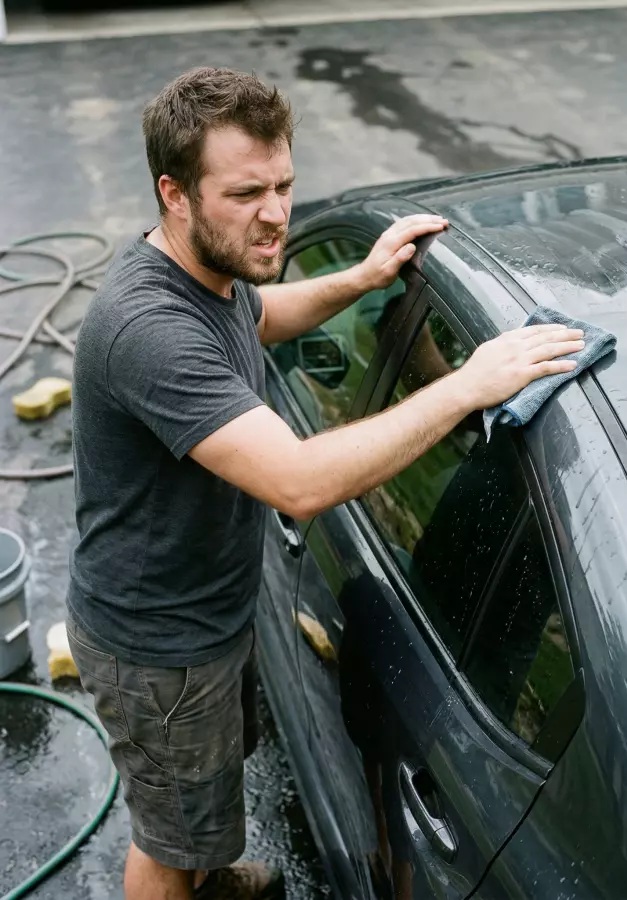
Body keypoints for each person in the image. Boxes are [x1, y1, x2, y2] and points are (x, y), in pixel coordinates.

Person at [64, 66, 584, 900]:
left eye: (284, 185)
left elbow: (259, 318)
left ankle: (210, 866)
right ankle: (188, 872)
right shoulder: (149, 328)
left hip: (205, 616)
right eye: (246, 193)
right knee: (165, 837)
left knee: (203, 802)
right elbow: (300, 483)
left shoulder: (209, 272)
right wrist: (466, 384)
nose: (274, 213)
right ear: (174, 192)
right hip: (157, 649)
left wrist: (359, 278)